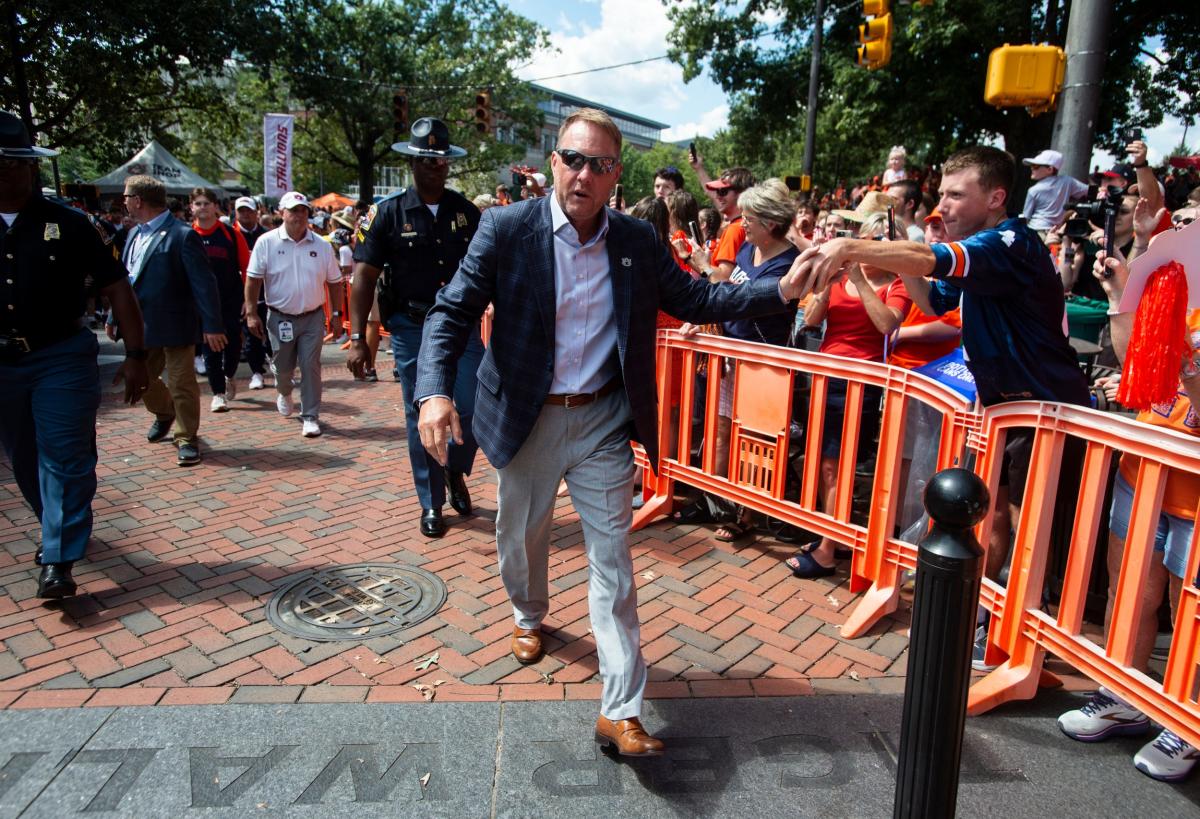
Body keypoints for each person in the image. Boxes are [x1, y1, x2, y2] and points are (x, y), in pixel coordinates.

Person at [414, 108, 810, 757]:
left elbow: (698, 301)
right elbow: (452, 309)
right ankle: (528, 612)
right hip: (526, 413)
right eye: (573, 159)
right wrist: (433, 391)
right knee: (521, 535)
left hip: (602, 417)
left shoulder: (633, 239)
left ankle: (620, 707)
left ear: (615, 174)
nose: (583, 175)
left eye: (598, 164)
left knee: (614, 561)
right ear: (552, 163)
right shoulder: (506, 229)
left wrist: (781, 289)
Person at [797, 145, 1089, 658]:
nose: (944, 205)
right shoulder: (980, 252)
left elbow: (933, 261)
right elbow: (932, 297)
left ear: (996, 197)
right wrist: (891, 252)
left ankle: (1018, 640)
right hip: (1003, 408)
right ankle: (984, 618)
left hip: (1046, 410)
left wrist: (851, 248)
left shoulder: (1008, 243)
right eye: (942, 195)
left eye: (957, 194)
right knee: (994, 516)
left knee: (1027, 525)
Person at [1056, 248, 1199, 783]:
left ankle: (1186, 719)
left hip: (1193, 489)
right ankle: (1125, 694)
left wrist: (1189, 366)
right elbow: (1137, 368)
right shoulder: (1179, 294)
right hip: (1142, 471)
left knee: (1191, 614)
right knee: (1130, 592)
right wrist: (1121, 295)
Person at [0, 111, 148, 599]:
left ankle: (58, 558)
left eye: (15, 162)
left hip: (60, 354)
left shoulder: (71, 224)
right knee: (23, 456)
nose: (6, 172)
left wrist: (136, 355)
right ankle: (56, 525)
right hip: (4, 363)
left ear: (32, 167)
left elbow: (118, 290)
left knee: (64, 456)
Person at [347, 118, 482, 538]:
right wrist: (356, 339)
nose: (434, 166)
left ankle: (454, 470)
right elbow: (363, 276)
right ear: (412, 161)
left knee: (474, 405)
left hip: (461, 325)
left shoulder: (465, 212)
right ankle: (431, 502)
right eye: (426, 158)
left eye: (440, 159)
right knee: (420, 413)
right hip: (411, 326)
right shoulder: (386, 214)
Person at [785, 212, 912, 576]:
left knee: (838, 466)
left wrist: (859, 279)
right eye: (869, 241)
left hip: (861, 385)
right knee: (824, 465)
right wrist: (828, 283)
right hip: (827, 379)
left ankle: (828, 548)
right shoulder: (842, 280)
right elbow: (810, 320)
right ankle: (831, 535)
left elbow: (887, 324)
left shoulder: (898, 284)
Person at [682, 181, 801, 541]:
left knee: (755, 442)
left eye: (749, 218)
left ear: (771, 222)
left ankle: (746, 515)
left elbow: (744, 297)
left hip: (762, 365)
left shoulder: (789, 262)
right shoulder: (748, 251)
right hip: (729, 359)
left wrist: (706, 270)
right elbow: (726, 296)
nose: (742, 225)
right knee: (720, 433)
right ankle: (715, 501)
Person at [114, 175, 225, 466]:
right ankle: (165, 413)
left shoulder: (182, 235)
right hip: (141, 327)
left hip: (177, 324)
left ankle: (186, 437)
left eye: (127, 197)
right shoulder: (134, 234)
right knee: (141, 380)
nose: (124, 203)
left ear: (138, 200)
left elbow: (204, 283)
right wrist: (116, 315)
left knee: (181, 382)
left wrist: (212, 325)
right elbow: (126, 280)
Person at [245, 191, 343, 438]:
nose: (298, 215)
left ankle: (310, 415)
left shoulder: (321, 245)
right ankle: (284, 391)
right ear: (281, 213)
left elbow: (334, 282)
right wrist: (251, 313)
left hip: (312, 317)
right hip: (280, 317)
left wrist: (337, 314)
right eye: (293, 210)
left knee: (310, 365)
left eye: (302, 210)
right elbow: (253, 279)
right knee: (283, 367)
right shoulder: (266, 242)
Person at [189, 187, 249, 412]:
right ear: (191, 207)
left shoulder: (230, 234)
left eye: (207, 203)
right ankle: (218, 393)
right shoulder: (188, 235)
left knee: (232, 346)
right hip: (203, 305)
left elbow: (246, 268)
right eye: (198, 204)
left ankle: (229, 376)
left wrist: (246, 298)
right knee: (210, 349)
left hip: (231, 300)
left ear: (215, 207)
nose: (202, 208)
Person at [233, 196, 270, 391]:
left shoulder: (267, 236)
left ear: (256, 212)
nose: (245, 214)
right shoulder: (231, 235)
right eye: (241, 211)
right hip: (242, 296)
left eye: (249, 210)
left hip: (268, 293)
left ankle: (280, 368)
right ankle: (257, 372)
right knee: (251, 334)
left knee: (272, 333)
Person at [1020, 149, 1088, 238]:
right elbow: (1088, 191)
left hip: (1035, 232)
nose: (1031, 168)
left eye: (1036, 166)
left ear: (1050, 169)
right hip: (1056, 233)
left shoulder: (1033, 190)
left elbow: (1026, 217)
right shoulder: (1067, 181)